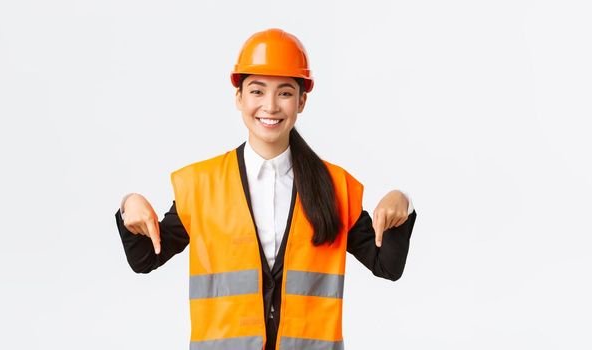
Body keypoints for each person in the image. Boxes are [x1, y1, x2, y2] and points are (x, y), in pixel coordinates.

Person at [114, 28, 418, 350]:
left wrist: (403, 201)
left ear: (301, 101)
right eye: (257, 91)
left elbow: (387, 265)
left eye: (285, 93)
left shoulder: (334, 186)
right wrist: (128, 204)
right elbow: (145, 258)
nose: (270, 106)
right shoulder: (201, 186)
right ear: (239, 97)